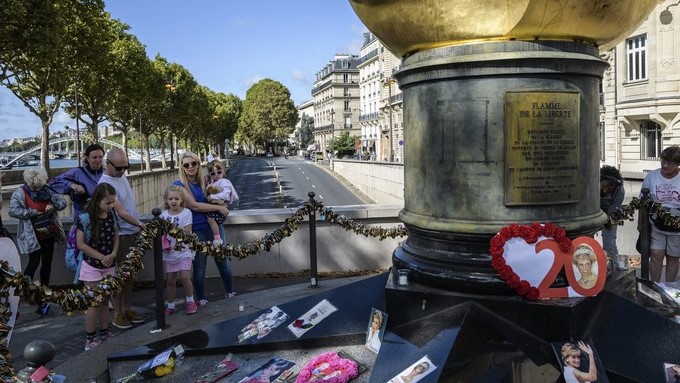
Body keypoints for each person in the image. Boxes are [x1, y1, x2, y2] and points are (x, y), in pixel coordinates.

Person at [174, 151, 233, 306]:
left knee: (223, 261)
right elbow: (194, 206)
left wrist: (222, 205)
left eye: (194, 163)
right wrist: (219, 209)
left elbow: (223, 197)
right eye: (186, 165)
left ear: (199, 165)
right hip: (196, 230)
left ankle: (230, 291)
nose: (190, 167)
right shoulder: (179, 185)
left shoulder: (207, 182)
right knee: (200, 266)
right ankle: (200, 298)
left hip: (214, 227)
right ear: (182, 167)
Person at [8, 168, 67, 314]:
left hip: (48, 231)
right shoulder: (20, 193)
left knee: (47, 261)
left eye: (39, 186)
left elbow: (62, 202)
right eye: (35, 187)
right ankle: (24, 291)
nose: (38, 189)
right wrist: (32, 212)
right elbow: (13, 211)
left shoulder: (47, 189)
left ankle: (44, 289)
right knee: (33, 262)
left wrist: (53, 206)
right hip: (32, 234)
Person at [99, 148, 145, 329]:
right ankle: (118, 313)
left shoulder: (121, 176)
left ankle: (126, 309)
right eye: (119, 168)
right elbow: (121, 212)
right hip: (122, 235)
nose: (122, 171)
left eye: (126, 167)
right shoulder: (104, 185)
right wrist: (141, 224)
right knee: (120, 276)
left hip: (132, 232)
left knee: (130, 275)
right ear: (107, 164)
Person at [76, 183, 119, 351]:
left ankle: (104, 332)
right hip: (92, 265)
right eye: (107, 203)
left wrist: (114, 254)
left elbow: (116, 236)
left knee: (104, 301)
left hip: (109, 263)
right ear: (97, 201)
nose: (111, 206)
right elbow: (80, 244)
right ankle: (90, 338)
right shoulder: (85, 218)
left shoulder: (112, 214)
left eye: (113, 202)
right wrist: (102, 257)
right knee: (93, 303)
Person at [640, 145, 680, 282]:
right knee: (656, 254)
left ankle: (668, 289)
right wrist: (641, 225)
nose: (665, 165)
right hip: (657, 224)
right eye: (663, 160)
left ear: (678, 164)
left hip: (677, 228)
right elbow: (642, 201)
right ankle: (654, 286)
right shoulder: (652, 176)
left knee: (673, 257)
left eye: (670, 162)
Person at [160, 185, 197, 315]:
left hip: (184, 250)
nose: (173, 201)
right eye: (170, 199)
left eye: (176, 198)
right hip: (170, 252)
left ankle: (190, 301)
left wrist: (174, 229)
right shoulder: (163, 215)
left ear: (182, 200)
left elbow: (187, 230)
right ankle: (171, 305)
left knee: (185, 277)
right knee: (170, 280)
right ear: (167, 200)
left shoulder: (186, 213)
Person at [49, 144, 105, 218]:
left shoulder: (106, 173)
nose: (98, 160)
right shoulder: (77, 172)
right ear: (87, 158)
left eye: (100, 157)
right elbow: (52, 183)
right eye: (94, 157)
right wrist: (71, 185)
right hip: (83, 221)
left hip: (104, 220)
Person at [205, 159, 239, 245]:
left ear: (223, 172)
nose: (216, 175)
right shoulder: (214, 182)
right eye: (213, 173)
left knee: (210, 219)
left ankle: (217, 237)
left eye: (218, 172)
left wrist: (212, 197)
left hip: (219, 211)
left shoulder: (224, 182)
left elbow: (226, 195)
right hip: (217, 208)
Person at [599, 165, 625, 269]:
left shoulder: (619, 191)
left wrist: (606, 220)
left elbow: (612, 212)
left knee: (609, 241)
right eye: (604, 186)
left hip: (610, 216)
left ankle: (612, 266)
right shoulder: (590, 184)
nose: (605, 191)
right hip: (591, 214)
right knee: (587, 241)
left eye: (609, 188)